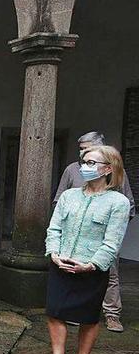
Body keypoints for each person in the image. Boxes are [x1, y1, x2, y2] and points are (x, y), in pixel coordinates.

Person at [41, 145, 130, 354]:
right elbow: (54, 228)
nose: (85, 167)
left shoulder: (118, 202)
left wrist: (91, 265)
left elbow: (112, 242)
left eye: (91, 163)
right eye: (84, 162)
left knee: (88, 318)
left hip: (91, 269)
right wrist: (54, 253)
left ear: (107, 169)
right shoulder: (70, 196)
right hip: (62, 263)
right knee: (54, 312)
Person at [54, 131, 135, 333]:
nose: (83, 154)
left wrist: (113, 230)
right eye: (81, 149)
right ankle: (74, 311)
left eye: (87, 148)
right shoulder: (72, 169)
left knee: (110, 274)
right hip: (73, 237)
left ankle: (111, 313)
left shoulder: (117, 172)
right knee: (70, 273)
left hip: (103, 238)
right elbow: (59, 198)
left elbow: (128, 204)